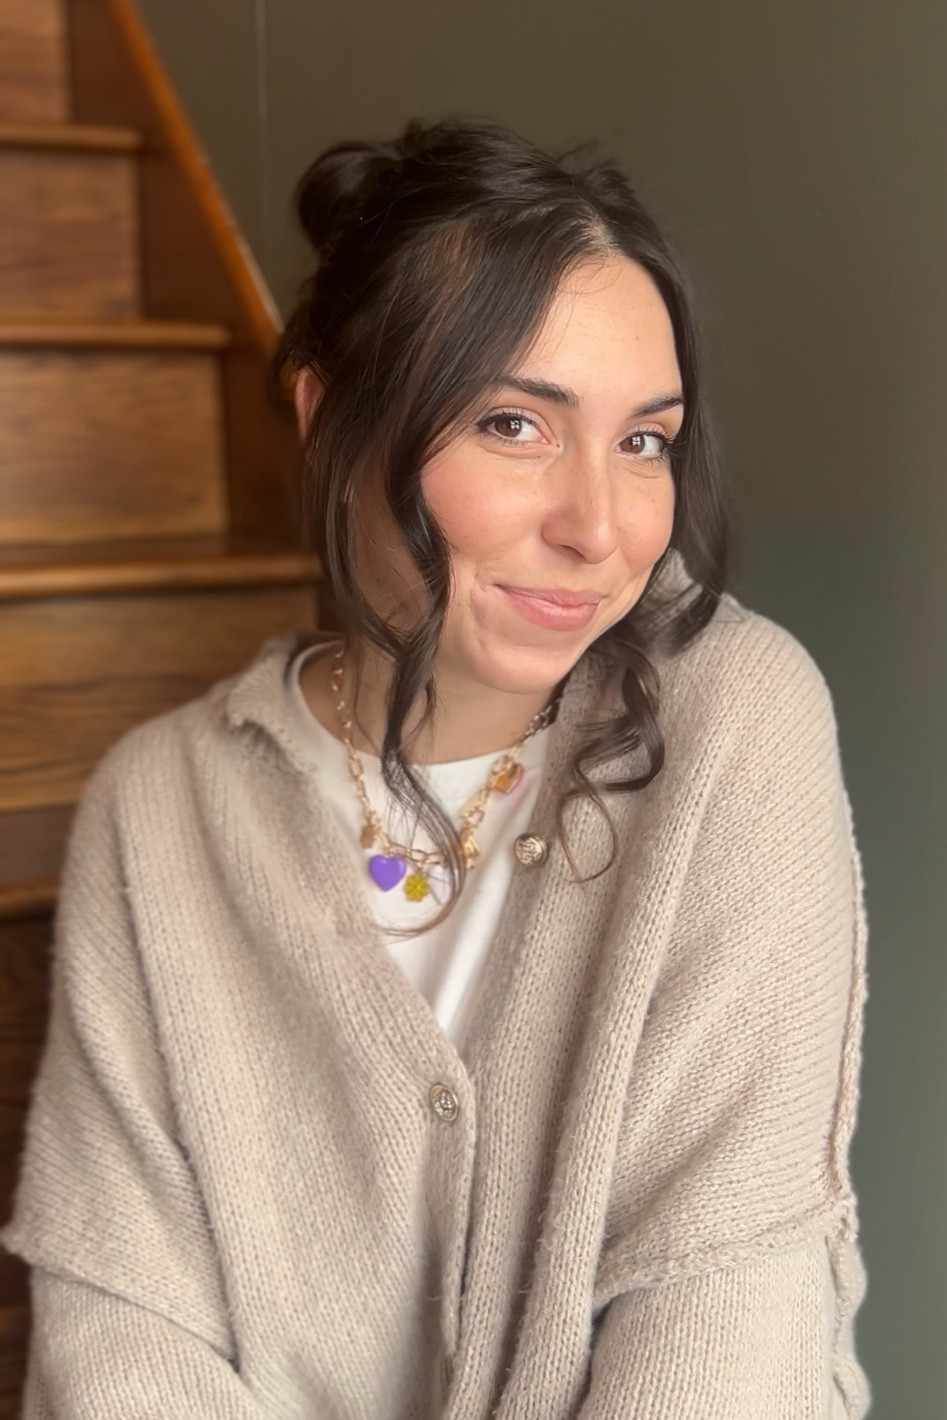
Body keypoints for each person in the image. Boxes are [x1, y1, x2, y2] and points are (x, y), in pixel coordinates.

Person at [1, 116, 871, 1418]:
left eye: (645, 440)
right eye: (515, 423)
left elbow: (725, 1288)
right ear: (326, 416)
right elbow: (122, 1316)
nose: (600, 525)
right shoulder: (161, 807)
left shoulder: (735, 720)